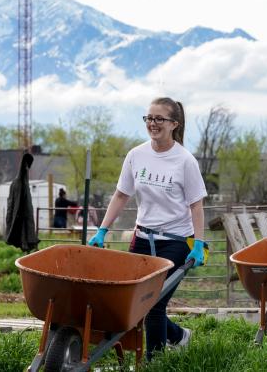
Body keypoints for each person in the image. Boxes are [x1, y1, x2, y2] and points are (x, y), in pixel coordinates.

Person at [88, 97, 207, 360]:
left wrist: (198, 243)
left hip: (176, 241)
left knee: (154, 305)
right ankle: (178, 336)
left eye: (159, 119)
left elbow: (197, 205)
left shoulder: (184, 160)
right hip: (142, 238)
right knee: (135, 303)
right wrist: (102, 230)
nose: (153, 123)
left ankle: (154, 362)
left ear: (174, 124)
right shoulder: (136, 155)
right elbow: (121, 195)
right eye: (149, 118)